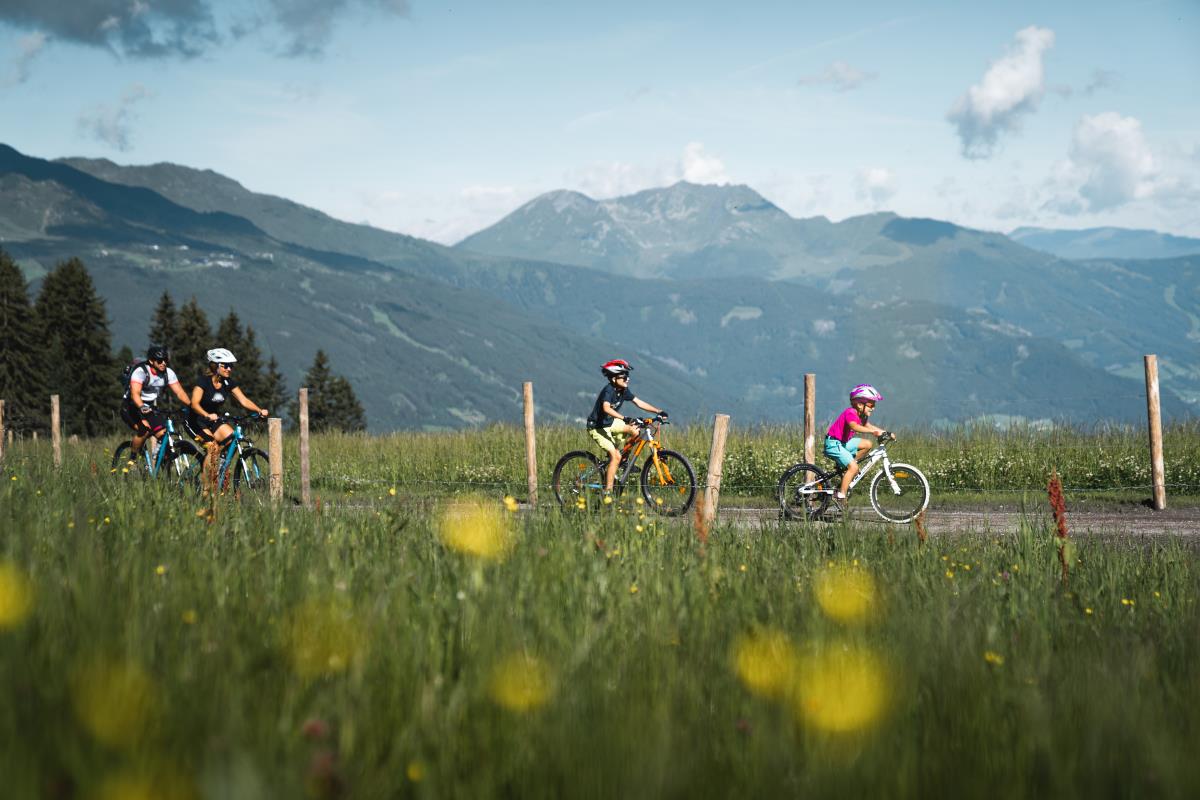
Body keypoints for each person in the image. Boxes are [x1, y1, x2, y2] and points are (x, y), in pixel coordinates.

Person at [586, 359, 667, 495]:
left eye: (627, 376)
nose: (627, 379)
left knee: (635, 430)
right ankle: (608, 492)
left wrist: (658, 411)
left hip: (611, 423)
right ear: (613, 378)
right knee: (615, 455)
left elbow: (638, 402)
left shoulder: (623, 390)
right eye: (624, 376)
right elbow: (606, 408)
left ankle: (623, 461)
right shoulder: (608, 390)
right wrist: (624, 418)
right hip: (597, 427)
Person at [120, 345, 192, 462]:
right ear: (151, 361)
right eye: (159, 361)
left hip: (150, 407)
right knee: (145, 430)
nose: (163, 363)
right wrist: (141, 406)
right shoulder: (141, 372)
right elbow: (135, 394)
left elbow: (179, 392)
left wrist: (192, 406)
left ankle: (160, 460)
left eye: (165, 360)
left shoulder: (168, 373)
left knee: (163, 433)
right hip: (131, 406)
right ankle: (132, 460)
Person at [188, 348, 268, 447]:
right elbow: (194, 404)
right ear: (215, 365)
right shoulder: (203, 381)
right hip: (195, 421)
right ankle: (212, 460)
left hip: (214, 420)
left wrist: (259, 410)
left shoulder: (228, 382)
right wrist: (207, 415)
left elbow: (243, 400)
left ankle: (220, 461)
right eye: (226, 366)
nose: (229, 369)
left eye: (231, 366)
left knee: (233, 440)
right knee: (212, 448)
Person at [824, 383, 889, 501]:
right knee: (853, 468)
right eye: (871, 404)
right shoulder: (851, 413)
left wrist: (886, 432)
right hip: (833, 444)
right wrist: (872, 432)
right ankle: (841, 496)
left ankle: (848, 465)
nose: (873, 408)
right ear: (859, 404)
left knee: (867, 444)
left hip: (843, 443)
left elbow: (870, 426)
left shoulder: (861, 415)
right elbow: (854, 427)